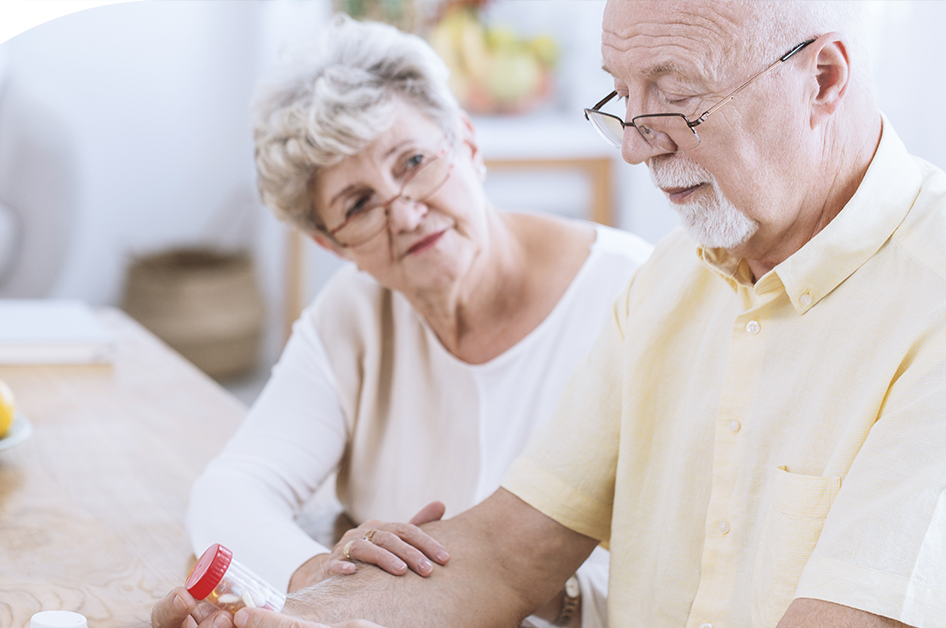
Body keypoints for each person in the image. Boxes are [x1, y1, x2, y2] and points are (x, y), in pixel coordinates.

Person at [154, 0, 946, 627]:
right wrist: (291, 616)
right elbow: (506, 555)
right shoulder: (671, 282)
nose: (634, 142)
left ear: (822, 78)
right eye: (623, 92)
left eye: (678, 95)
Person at [155, 14, 653, 628]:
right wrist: (326, 584)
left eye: (413, 160)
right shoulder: (353, 315)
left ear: (467, 144)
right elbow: (230, 490)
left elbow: (678, 563)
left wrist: (530, 589)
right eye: (358, 203)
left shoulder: (632, 294)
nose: (407, 213)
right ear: (334, 245)